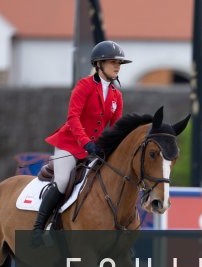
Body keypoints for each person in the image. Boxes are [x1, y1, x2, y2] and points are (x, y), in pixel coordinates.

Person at [33, 40, 132, 233]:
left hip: (94, 149)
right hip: (70, 144)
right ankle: (39, 227)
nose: (118, 66)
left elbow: (116, 129)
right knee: (63, 181)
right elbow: (73, 117)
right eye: (113, 62)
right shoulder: (85, 85)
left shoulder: (117, 96)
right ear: (99, 64)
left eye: (119, 63)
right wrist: (86, 142)